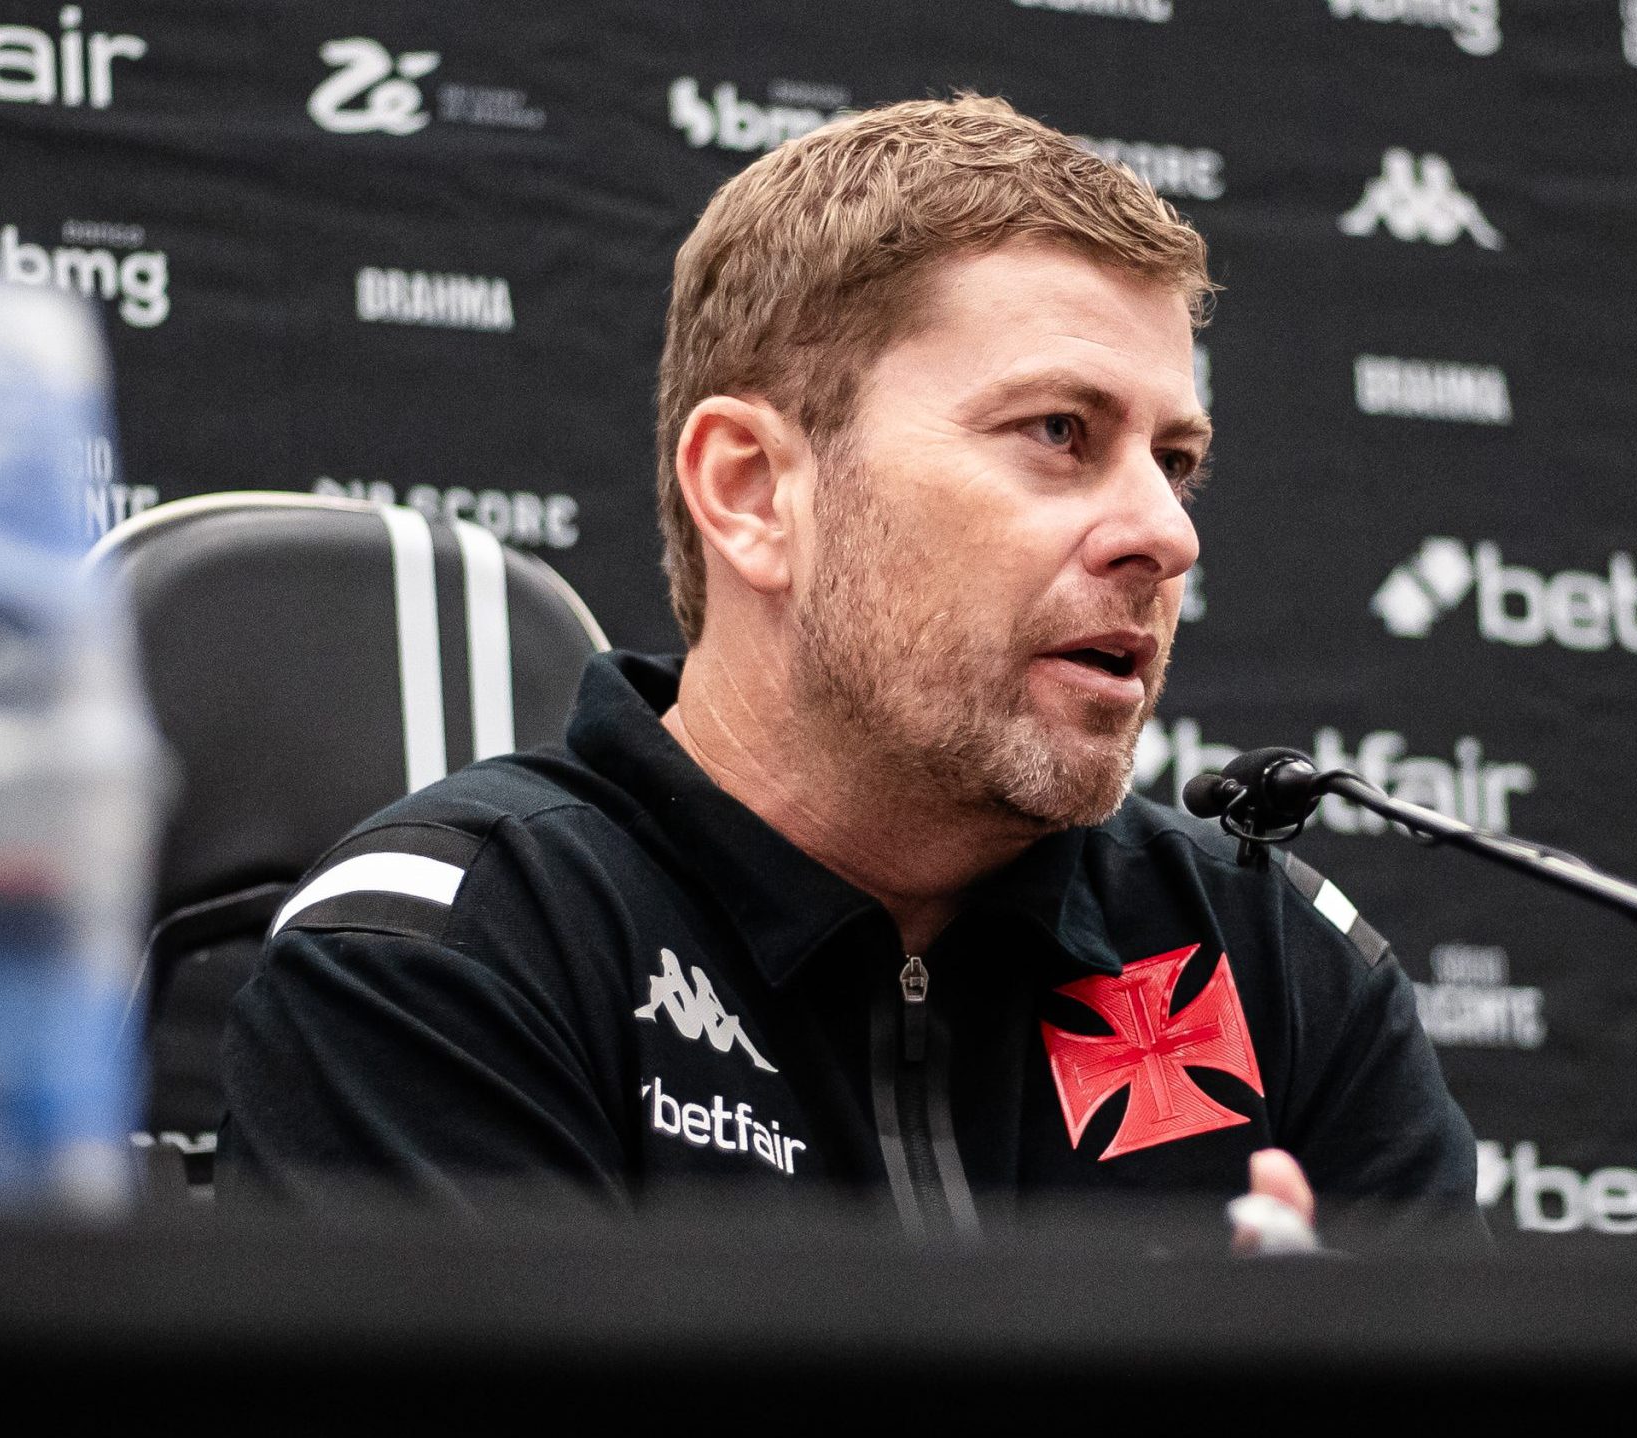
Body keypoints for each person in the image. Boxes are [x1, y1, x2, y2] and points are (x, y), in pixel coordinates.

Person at [220, 94, 1480, 1245]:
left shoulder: (1271, 960)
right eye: (1058, 432)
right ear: (755, 491)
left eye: (1176, 458)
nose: (1167, 533)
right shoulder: (453, 953)